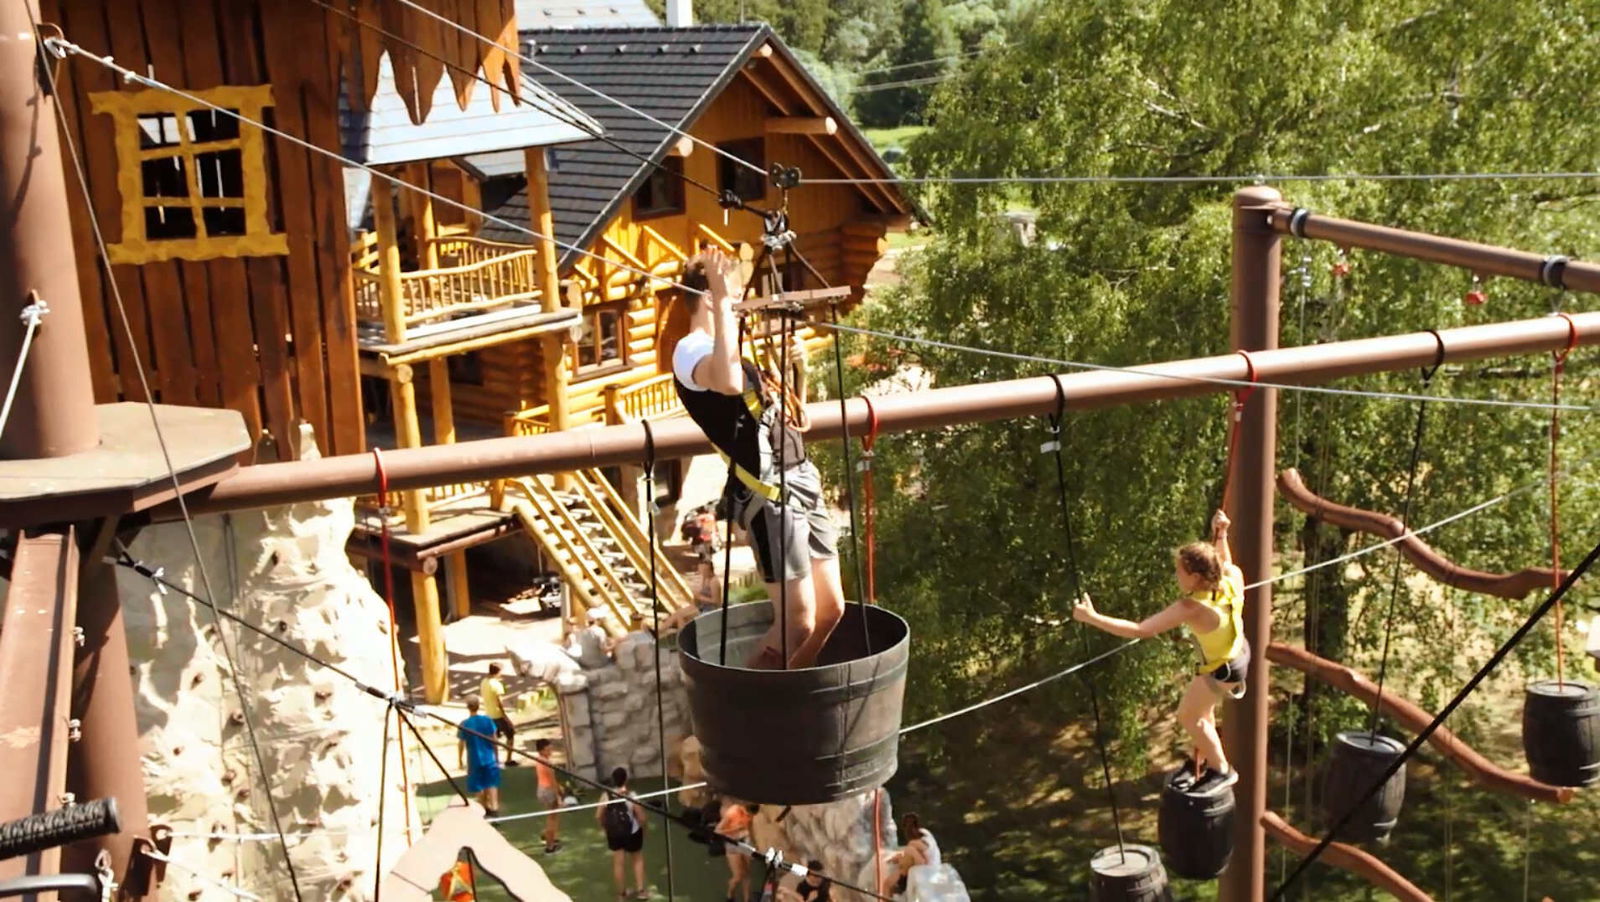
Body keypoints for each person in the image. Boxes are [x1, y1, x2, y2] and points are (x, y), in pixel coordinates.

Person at [673, 249, 845, 669]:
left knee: (830, 612)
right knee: (797, 624)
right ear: (711, 298)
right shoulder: (690, 350)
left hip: (799, 478)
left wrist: (798, 376)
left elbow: (785, 420)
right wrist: (722, 295)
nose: (740, 304)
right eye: (735, 296)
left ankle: (788, 689)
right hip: (769, 494)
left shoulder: (729, 349)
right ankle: (750, 700)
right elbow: (729, 382)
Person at [1073, 509, 1248, 788]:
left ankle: (1222, 770)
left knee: (1188, 716)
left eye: (1180, 571)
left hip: (1222, 669)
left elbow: (1141, 630)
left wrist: (1092, 618)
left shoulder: (1192, 607)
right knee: (1201, 712)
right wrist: (1222, 533)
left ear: (1195, 576)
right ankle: (1207, 757)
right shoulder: (1230, 577)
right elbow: (1224, 560)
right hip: (1236, 653)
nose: (1177, 576)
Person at [598, 766, 648, 900]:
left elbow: (598, 816)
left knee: (618, 863)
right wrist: (644, 828)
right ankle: (641, 891)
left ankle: (621, 894)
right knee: (637, 859)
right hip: (633, 832)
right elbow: (641, 817)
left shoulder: (606, 795)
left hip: (614, 834)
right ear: (625, 780)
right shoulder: (632, 795)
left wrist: (604, 828)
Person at [456, 696, 501, 817]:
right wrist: (496, 756)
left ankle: (483, 809)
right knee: (491, 783)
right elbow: (494, 740)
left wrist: (459, 759)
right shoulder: (487, 720)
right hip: (489, 757)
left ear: (467, 707)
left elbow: (461, 743)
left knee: (478, 785)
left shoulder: (465, 724)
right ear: (478, 705)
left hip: (474, 759)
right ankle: (494, 808)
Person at [883, 814, 939, 896]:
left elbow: (920, 862)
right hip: (928, 870)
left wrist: (900, 860)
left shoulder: (913, 845)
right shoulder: (926, 835)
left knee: (887, 885)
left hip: (922, 873)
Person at [715, 800, 758, 902]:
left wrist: (754, 843)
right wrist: (735, 829)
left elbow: (750, 826)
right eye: (747, 814)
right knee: (738, 875)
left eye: (750, 815)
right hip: (732, 843)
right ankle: (730, 895)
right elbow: (717, 831)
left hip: (745, 841)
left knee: (747, 873)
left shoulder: (751, 812)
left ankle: (747, 899)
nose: (748, 816)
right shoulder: (732, 813)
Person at [479, 662, 518, 766]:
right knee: (510, 734)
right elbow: (499, 702)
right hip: (498, 714)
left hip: (488, 714)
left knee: (493, 738)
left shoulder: (484, 682)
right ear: (498, 672)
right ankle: (508, 759)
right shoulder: (497, 685)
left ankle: (494, 759)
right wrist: (504, 714)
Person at [534, 738, 563, 853]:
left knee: (551, 817)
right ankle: (550, 846)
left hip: (542, 790)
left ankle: (550, 837)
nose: (550, 751)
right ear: (541, 750)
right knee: (552, 819)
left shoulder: (539, 760)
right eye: (547, 749)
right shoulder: (547, 763)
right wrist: (559, 796)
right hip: (548, 791)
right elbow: (552, 781)